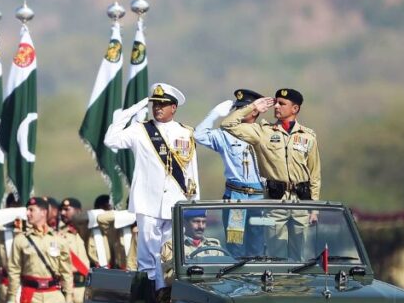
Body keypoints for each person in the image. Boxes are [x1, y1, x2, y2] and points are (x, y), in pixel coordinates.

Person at [104, 83, 200, 291]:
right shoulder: (140, 130)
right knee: (147, 256)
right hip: (148, 202)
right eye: (155, 104)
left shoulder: (185, 133)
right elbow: (110, 140)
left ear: (173, 107)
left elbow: (191, 171)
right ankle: (149, 299)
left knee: (170, 254)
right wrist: (128, 112)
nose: (157, 108)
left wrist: (193, 203)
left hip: (176, 201)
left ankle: (165, 295)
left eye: (163, 104)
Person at [220, 88, 321, 260]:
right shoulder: (263, 132)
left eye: (282, 104)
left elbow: (315, 174)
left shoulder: (308, 136)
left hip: (301, 202)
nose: (277, 107)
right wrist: (252, 106)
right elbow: (227, 125)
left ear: (295, 109)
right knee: (277, 256)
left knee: (300, 258)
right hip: (276, 202)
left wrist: (314, 208)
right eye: (276, 103)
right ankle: (279, 286)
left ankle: (298, 287)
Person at [196, 89, 267, 256]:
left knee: (258, 244)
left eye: (245, 108)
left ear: (255, 110)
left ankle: (256, 281)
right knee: (235, 244)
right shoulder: (226, 135)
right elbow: (199, 135)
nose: (239, 112)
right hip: (236, 198)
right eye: (238, 108)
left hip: (260, 199)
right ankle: (238, 281)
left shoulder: (264, 132)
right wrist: (213, 114)